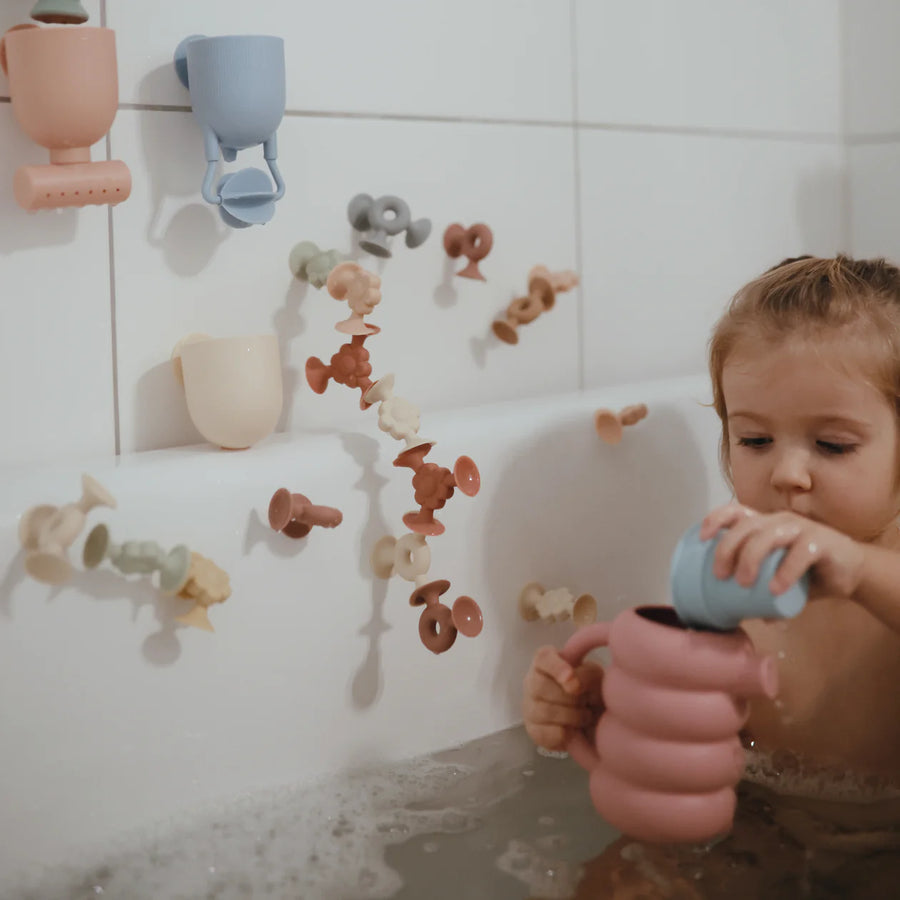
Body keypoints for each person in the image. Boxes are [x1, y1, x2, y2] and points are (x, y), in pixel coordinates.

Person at [523, 253, 900, 786]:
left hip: (884, 840)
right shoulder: (731, 564)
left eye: (833, 445)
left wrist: (859, 569)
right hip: (754, 816)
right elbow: (684, 718)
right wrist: (598, 710)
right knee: (621, 871)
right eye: (755, 440)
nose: (788, 473)